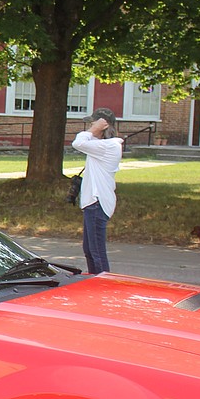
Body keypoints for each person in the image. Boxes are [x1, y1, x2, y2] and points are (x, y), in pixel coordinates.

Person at [71, 108, 123, 274]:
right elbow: (84, 142)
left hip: (97, 202)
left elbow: (78, 143)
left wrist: (93, 129)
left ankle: (103, 284)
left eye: (92, 123)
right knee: (89, 249)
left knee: (97, 251)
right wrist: (94, 129)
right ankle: (94, 280)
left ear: (103, 125)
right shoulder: (101, 146)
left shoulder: (109, 146)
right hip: (92, 203)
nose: (89, 127)